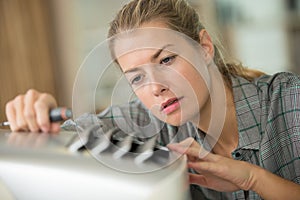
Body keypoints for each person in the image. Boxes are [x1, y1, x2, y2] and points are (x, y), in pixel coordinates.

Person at [5, 0, 300, 199]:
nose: (156, 87)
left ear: (205, 47)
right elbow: (67, 136)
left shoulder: (291, 101)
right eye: (137, 78)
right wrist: (37, 111)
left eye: (167, 59)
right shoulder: (147, 121)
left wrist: (251, 179)